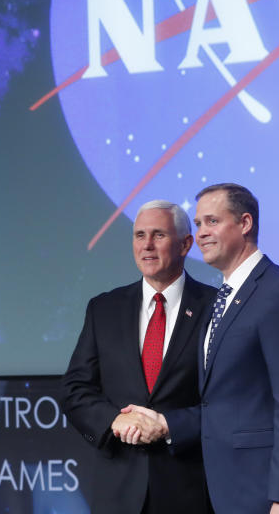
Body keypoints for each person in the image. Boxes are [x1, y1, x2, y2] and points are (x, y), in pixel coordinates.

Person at [123, 183, 279, 513]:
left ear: (245, 223)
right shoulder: (222, 298)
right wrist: (166, 424)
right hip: (228, 493)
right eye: (199, 224)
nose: (202, 233)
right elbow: (225, 405)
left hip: (268, 496)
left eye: (212, 221)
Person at [62, 200, 215, 514]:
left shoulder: (215, 308)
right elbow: (76, 389)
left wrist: (169, 425)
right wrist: (115, 420)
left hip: (192, 488)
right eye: (139, 235)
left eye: (158, 235)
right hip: (118, 490)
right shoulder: (104, 309)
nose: (146, 245)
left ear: (186, 244)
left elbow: (229, 399)